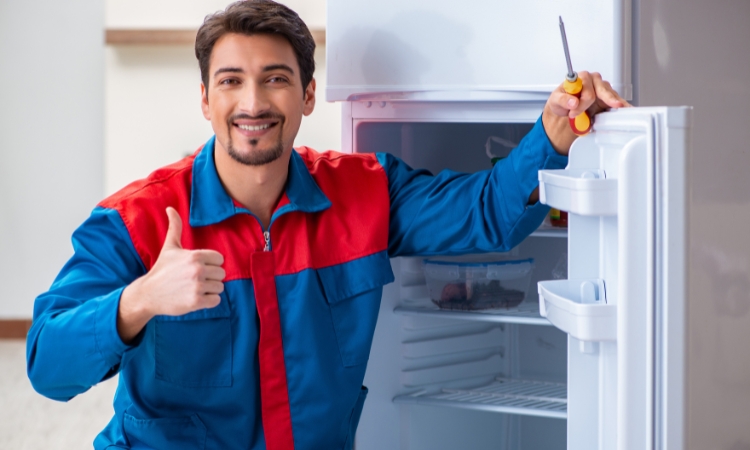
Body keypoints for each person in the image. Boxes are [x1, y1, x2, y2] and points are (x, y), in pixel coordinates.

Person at [26, 1, 629, 448]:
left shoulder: (364, 190)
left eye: (276, 78)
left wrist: (550, 135)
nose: (253, 102)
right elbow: (47, 367)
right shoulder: (136, 219)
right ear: (205, 100)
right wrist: (138, 301)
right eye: (231, 81)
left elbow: (483, 213)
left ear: (308, 96)